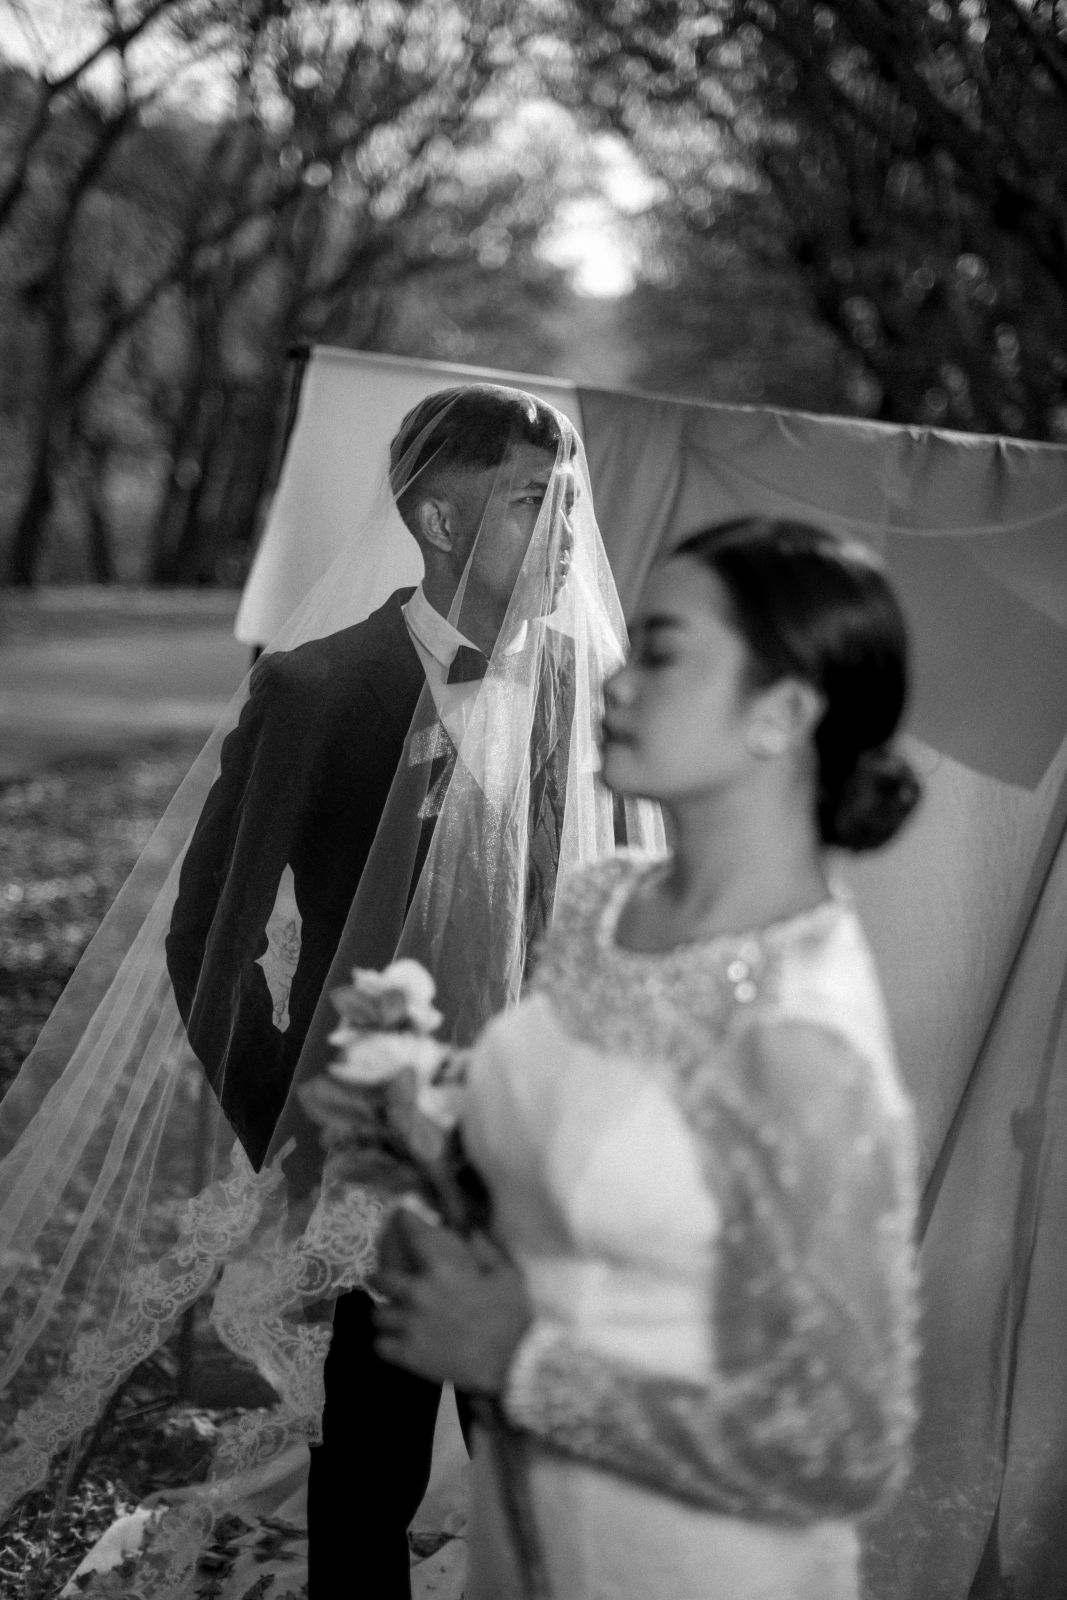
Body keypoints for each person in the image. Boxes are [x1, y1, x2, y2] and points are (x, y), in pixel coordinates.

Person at [0, 385, 661, 1599]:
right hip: (378, 1155)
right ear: (445, 524)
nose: (569, 533)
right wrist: (299, 1120)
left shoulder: (582, 686)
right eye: (535, 502)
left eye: (570, 503)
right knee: (369, 1468)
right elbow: (209, 936)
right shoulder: (315, 690)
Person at [374, 516, 922, 1600]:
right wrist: (441, 1157)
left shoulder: (802, 1041)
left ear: (781, 713)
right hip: (518, 1530)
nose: (616, 680)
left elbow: (841, 1446)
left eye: (662, 653)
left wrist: (515, 1362)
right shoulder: (602, 904)